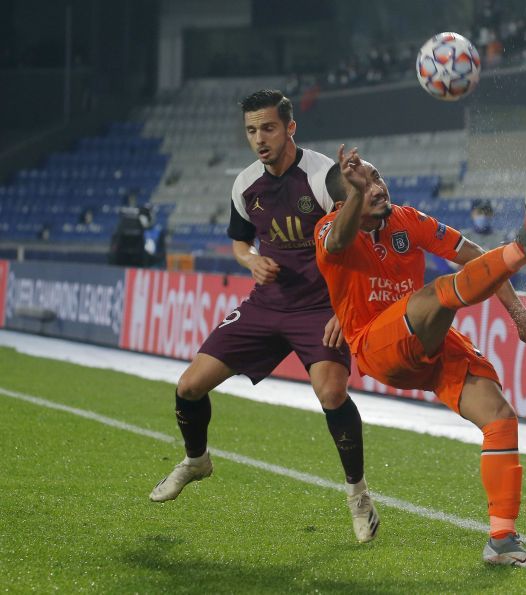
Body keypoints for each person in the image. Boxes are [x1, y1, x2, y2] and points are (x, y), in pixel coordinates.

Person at [149, 90, 379, 544]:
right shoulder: (244, 184)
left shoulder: (322, 176)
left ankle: (358, 496)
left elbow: (355, 238)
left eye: (268, 128)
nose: (259, 138)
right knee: (189, 386)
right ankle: (197, 460)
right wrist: (250, 259)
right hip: (268, 302)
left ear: (290, 128)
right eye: (252, 130)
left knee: (332, 394)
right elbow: (239, 242)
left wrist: (345, 306)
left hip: (319, 306)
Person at [315, 146, 526, 568]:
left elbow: (476, 256)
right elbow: (337, 241)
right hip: (377, 345)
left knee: (500, 418)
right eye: (363, 183)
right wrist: (355, 197)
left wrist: (518, 312)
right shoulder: (327, 229)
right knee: (438, 293)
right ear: (345, 199)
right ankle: (521, 249)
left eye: (377, 177)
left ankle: (502, 541)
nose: (377, 187)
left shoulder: (408, 220)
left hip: (427, 339)